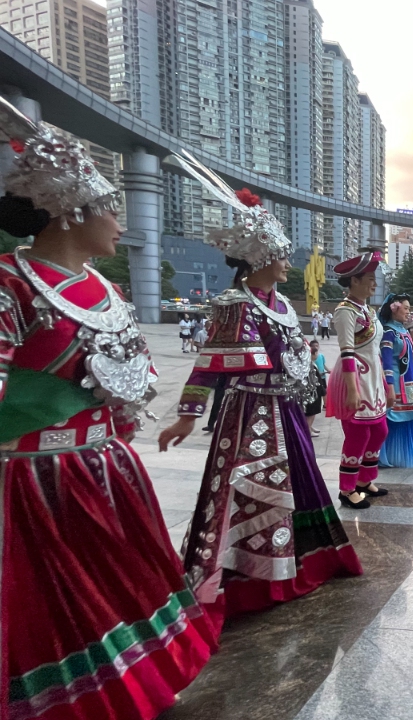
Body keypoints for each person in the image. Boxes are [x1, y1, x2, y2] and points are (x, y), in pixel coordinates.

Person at [0, 101, 215, 720]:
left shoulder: (110, 290)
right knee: (61, 603)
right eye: (112, 209)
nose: (121, 224)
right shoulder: (10, 283)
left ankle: (134, 683)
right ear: (73, 210)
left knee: (124, 587)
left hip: (111, 469)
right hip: (36, 479)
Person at [157, 155, 362, 636]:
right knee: (245, 488)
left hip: (285, 409)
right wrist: (188, 415)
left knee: (299, 482)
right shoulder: (235, 305)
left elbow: (295, 353)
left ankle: (295, 564)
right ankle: (247, 579)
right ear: (262, 258)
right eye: (282, 256)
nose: (288, 263)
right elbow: (208, 364)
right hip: (248, 411)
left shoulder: (283, 303)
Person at [325, 252, 389, 509]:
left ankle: (364, 480)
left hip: (373, 380)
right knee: (357, 434)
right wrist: (352, 390)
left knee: (380, 431)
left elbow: (375, 352)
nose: (374, 283)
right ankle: (347, 488)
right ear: (354, 280)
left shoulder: (368, 311)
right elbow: (347, 352)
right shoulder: (345, 311)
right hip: (355, 379)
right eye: (370, 279)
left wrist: (385, 384)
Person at [378, 295, 413, 468]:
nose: (408, 312)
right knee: (396, 420)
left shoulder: (403, 331)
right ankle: (392, 457)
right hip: (397, 385)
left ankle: (403, 458)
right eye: (406, 308)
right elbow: (387, 362)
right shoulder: (389, 332)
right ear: (394, 309)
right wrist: (389, 386)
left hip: (410, 384)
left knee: (411, 420)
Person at [304, 339, 327, 434]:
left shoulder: (309, 364)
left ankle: (310, 428)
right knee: (311, 414)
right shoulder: (311, 366)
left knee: (310, 414)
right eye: (316, 353)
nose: (317, 355)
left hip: (311, 393)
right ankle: (308, 431)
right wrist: (323, 391)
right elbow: (316, 381)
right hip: (313, 393)